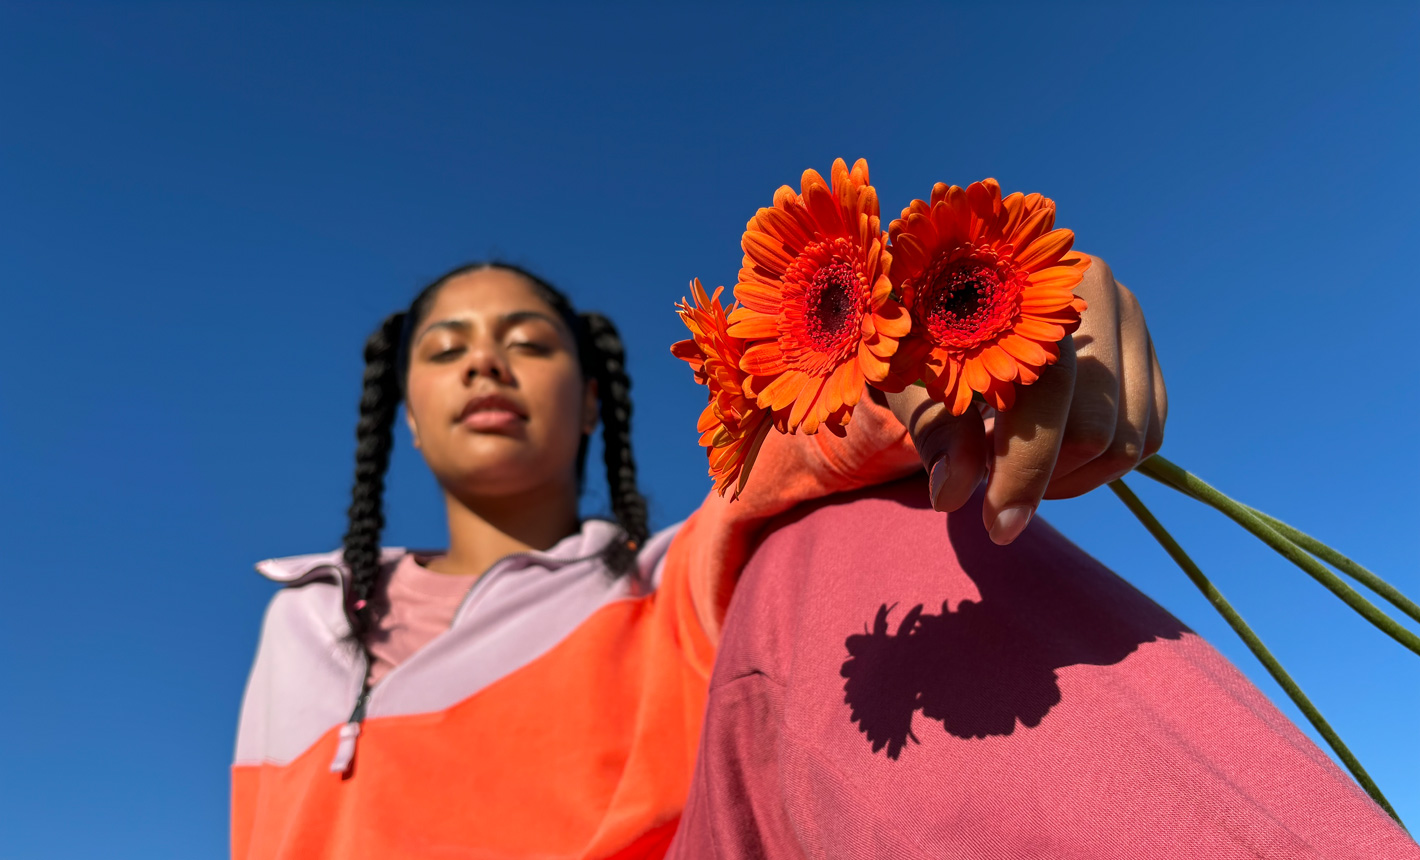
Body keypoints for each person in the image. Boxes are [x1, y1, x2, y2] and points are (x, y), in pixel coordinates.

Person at [231, 260, 1415, 858]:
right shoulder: (306, 620)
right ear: (408, 408)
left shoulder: (672, 579)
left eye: (526, 340)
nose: (486, 364)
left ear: (589, 401)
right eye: (449, 347)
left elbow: (799, 454)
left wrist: (976, 330)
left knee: (858, 534)